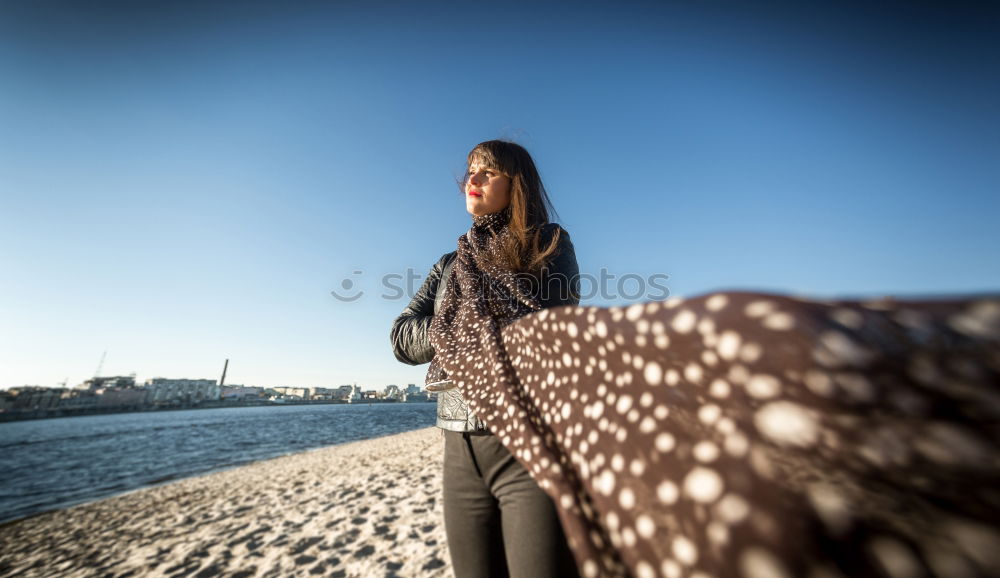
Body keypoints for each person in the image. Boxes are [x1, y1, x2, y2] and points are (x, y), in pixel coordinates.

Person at [390, 140, 581, 578]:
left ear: (517, 185)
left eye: (487, 172)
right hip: (458, 447)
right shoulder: (449, 264)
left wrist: (462, 329)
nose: (471, 180)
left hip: (528, 441)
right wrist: (462, 328)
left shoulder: (548, 243)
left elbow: (555, 332)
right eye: (470, 171)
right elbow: (401, 338)